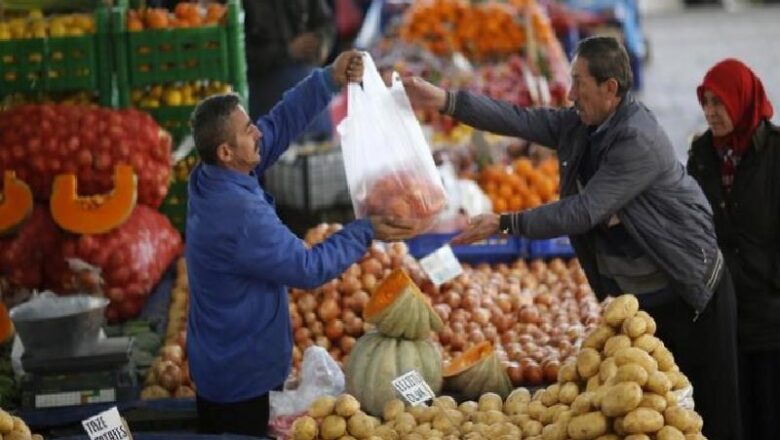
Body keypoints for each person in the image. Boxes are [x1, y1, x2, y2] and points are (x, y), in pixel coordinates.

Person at [402, 36, 741, 440]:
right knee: (653, 416)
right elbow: (518, 119)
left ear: (609, 88)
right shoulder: (583, 124)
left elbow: (584, 210)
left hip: (690, 294)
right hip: (644, 302)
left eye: (578, 82)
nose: (570, 93)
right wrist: (445, 101)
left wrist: (506, 222)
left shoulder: (636, 138)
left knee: (707, 416)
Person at [185, 50, 417, 437]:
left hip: (219, 359)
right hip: (241, 379)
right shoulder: (240, 215)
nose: (257, 132)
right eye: (247, 131)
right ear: (226, 152)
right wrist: (364, 230)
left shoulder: (212, 175)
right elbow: (308, 269)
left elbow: (276, 126)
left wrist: (326, 79)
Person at [688, 58, 779, 440]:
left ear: (741, 100)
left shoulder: (775, 154)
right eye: (706, 103)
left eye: (719, 102)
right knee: (732, 421)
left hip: (773, 315)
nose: (711, 112)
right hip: (724, 313)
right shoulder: (702, 157)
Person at [243, 0, 336, 138]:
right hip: (265, 95)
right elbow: (239, 54)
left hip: (311, 93)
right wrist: (287, 52)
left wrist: (322, 42)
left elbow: (326, 22)